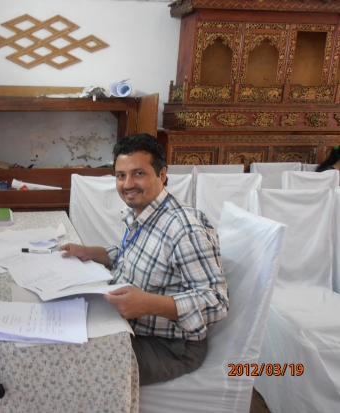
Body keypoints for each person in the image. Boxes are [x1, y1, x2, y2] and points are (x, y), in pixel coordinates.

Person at [60, 134, 229, 386]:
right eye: (120, 175)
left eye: (138, 173)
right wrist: (87, 252)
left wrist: (149, 304)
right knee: (60, 339)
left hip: (171, 347)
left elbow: (216, 303)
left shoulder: (185, 229)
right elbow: (131, 256)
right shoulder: (143, 213)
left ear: (162, 175)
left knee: (75, 364)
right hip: (130, 326)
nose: (128, 184)